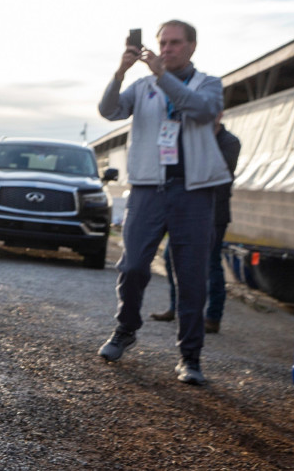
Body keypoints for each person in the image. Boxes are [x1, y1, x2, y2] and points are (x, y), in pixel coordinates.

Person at [96, 20, 231, 385]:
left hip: (193, 191)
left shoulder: (210, 84)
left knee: (191, 277)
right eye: (162, 43)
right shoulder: (142, 86)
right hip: (147, 189)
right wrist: (120, 72)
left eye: (174, 43)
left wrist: (162, 76)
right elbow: (109, 111)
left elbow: (200, 111)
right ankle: (125, 330)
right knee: (134, 266)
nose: (167, 49)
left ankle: (190, 357)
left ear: (191, 47)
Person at [150, 116, 240, 332]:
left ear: (218, 114)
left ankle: (213, 317)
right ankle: (176, 307)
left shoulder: (230, 141)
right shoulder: (192, 136)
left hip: (215, 212)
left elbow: (218, 170)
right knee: (169, 258)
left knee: (211, 263)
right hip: (185, 209)